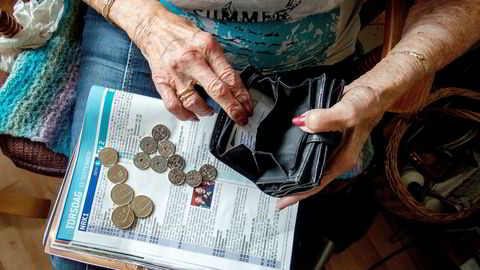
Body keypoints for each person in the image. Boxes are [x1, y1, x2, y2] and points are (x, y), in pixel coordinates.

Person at [52, 0, 480, 269]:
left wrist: (379, 89)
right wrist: (145, 22)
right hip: (152, 24)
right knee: (86, 260)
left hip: (308, 56)